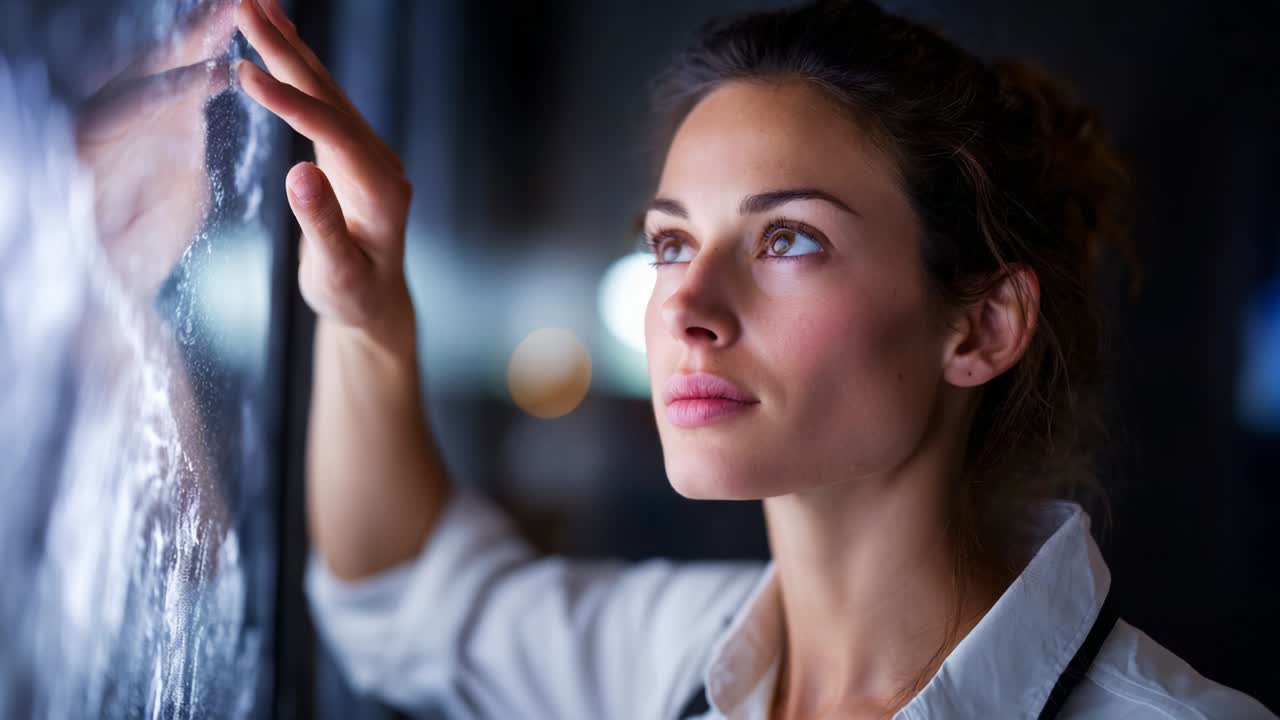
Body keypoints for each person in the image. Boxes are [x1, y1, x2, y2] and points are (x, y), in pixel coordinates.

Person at [235, 0, 1276, 717]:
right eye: (671, 243)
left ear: (979, 328)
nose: (683, 302)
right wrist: (370, 318)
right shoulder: (665, 658)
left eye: (787, 240)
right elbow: (402, 606)